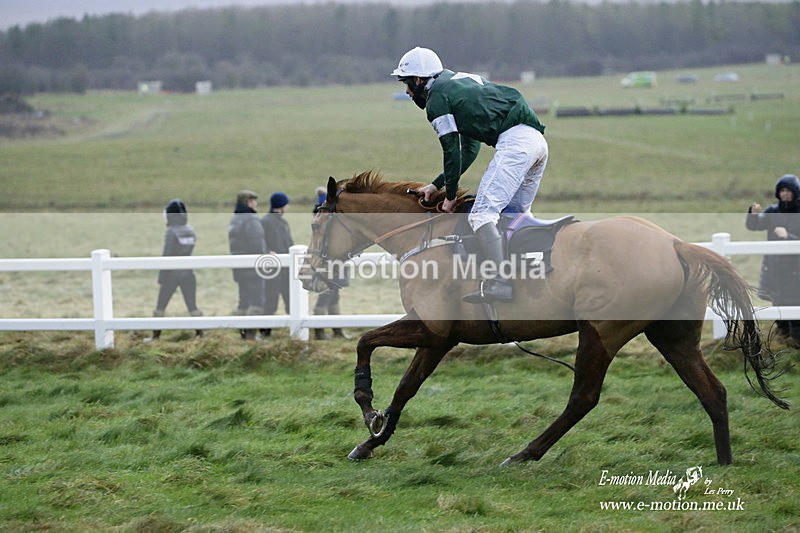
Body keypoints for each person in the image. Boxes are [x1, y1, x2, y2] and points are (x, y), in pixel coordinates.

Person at [392, 46, 548, 303]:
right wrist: (436, 184)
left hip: (516, 144)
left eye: (407, 83)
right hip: (536, 142)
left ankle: (500, 282)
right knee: (514, 215)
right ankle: (529, 278)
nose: (407, 91)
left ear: (419, 80)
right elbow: (471, 149)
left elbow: (452, 151)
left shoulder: (437, 100)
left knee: (481, 215)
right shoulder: (457, 83)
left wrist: (450, 196)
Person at [746, 173, 800, 342]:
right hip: (775, 268)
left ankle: (796, 341)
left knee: (795, 304)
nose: (785, 194)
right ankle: (783, 341)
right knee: (778, 303)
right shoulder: (773, 211)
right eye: (782, 190)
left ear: (795, 192)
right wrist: (753, 214)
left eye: (788, 190)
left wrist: (788, 237)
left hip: (796, 269)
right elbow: (754, 225)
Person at [145, 199, 203, 342]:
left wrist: (161, 275)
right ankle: (200, 334)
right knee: (192, 306)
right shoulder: (190, 229)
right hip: (188, 273)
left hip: (172, 274)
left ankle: (155, 336)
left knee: (161, 306)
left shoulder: (171, 232)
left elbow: (167, 254)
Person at [311, 186, 351, 340]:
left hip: (335, 261)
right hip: (328, 262)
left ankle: (337, 330)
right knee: (326, 295)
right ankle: (320, 332)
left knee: (334, 295)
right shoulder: (324, 218)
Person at [228, 189, 266, 340]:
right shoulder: (251, 219)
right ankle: (250, 335)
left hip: (239, 266)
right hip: (253, 267)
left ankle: (242, 333)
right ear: (249, 202)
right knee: (256, 300)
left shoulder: (234, 219)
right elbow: (256, 243)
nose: (255, 203)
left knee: (243, 300)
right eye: (254, 200)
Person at [260, 191, 293, 337]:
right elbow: (261, 243)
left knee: (290, 300)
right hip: (273, 269)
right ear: (281, 205)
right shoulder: (266, 221)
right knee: (271, 300)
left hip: (286, 268)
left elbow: (288, 243)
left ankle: (295, 329)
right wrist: (268, 252)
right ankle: (265, 332)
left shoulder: (282, 222)